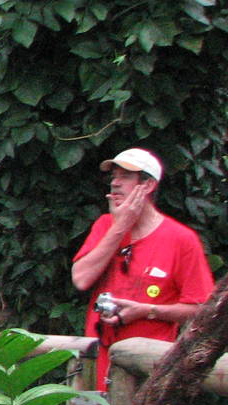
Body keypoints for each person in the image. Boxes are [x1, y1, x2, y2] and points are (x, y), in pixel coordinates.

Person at [71, 147, 214, 389]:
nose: (114, 184)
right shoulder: (105, 225)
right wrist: (120, 226)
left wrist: (147, 310)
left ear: (147, 186)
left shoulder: (181, 239)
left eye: (125, 176)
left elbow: (201, 307)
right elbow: (81, 279)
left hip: (148, 374)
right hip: (96, 367)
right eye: (113, 177)